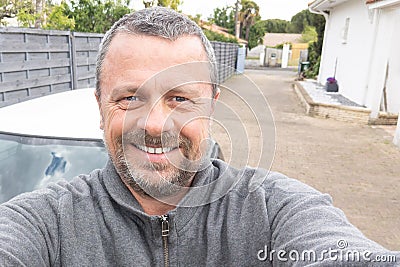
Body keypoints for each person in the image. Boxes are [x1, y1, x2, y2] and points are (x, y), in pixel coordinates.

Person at [0, 7, 398, 266]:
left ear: (211, 105)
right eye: (129, 97)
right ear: (101, 105)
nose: (155, 124)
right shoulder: (46, 224)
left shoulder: (274, 210)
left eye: (180, 98)